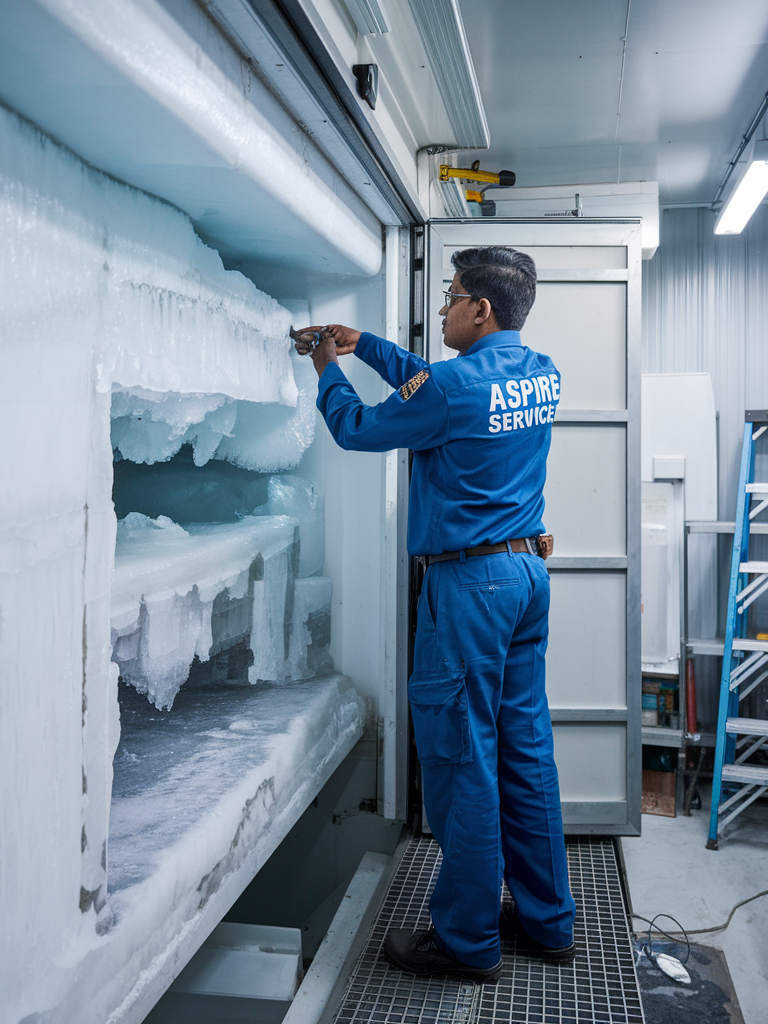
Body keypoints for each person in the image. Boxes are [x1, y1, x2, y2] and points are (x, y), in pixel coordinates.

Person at [293, 245, 575, 983]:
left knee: (464, 758)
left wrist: (326, 367)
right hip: (523, 576)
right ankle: (549, 923)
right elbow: (435, 387)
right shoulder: (539, 374)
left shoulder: (451, 390)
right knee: (524, 750)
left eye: (451, 295)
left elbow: (359, 427)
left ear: (480, 308)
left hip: (469, 591)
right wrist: (369, 347)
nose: (444, 306)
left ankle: (467, 939)